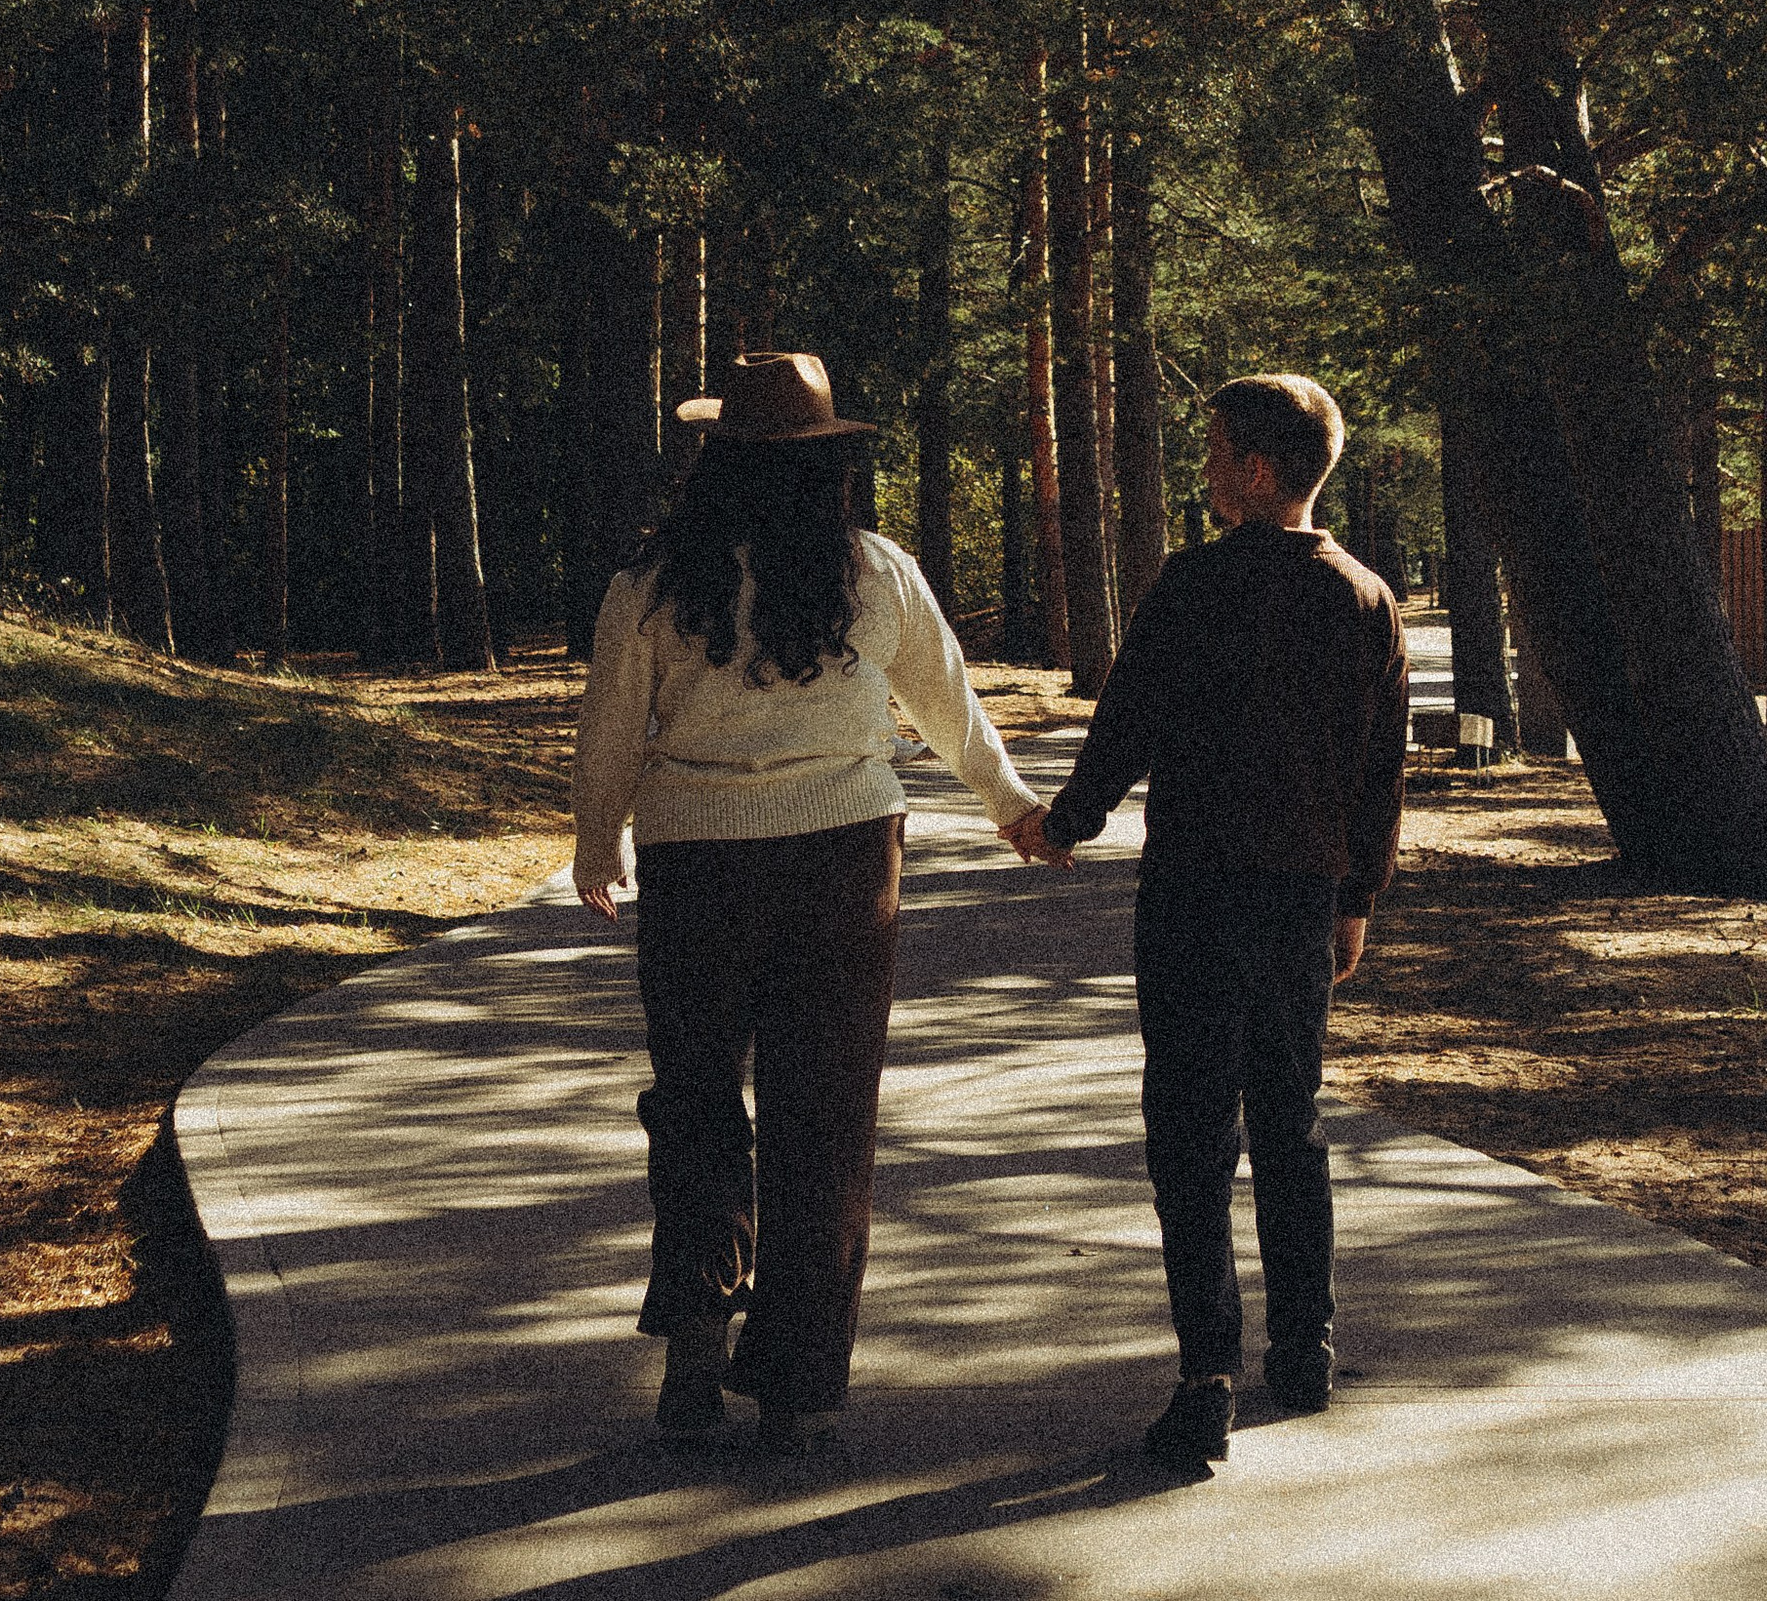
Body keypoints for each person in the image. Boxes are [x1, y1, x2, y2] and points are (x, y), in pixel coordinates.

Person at [571, 351, 1054, 1452]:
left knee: (696, 1100)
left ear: (716, 462)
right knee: (825, 1120)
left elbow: (610, 728)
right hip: (844, 865)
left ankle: (696, 1335)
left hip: (698, 864)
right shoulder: (873, 572)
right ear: (829, 462)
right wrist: (1012, 808)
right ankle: (795, 1384)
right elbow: (947, 702)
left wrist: (598, 844)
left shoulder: (650, 584)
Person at [1012, 371, 1409, 1474]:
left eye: (1214, 449)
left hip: (1193, 898)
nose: (1201, 467)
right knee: (1290, 1122)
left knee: (1190, 1139)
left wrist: (1068, 822)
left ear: (1256, 471)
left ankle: (1206, 1379)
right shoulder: (1365, 597)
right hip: (1295, 903)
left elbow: (1128, 719)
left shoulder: (1192, 586)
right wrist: (1355, 900)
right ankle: (1308, 1347)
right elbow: (1381, 772)